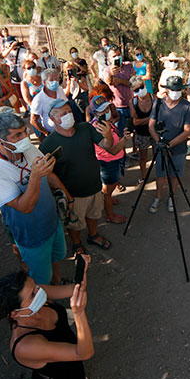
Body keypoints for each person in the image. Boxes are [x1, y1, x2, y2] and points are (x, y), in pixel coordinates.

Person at [0, 112, 70, 284]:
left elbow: (49, 174)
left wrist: (67, 196)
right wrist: (35, 177)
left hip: (52, 222)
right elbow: (25, 207)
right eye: (17, 135)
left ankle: (57, 281)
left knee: (56, 257)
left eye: (24, 131)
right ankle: (46, 304)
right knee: (40, 280)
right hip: (31, 237)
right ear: (0, 142)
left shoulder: (28, 149)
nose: (25, 138)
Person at [0, 269, 93, 379]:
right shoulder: (25, 346)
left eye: (35, 286)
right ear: (15, 313)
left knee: (44, 378)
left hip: (51, 372)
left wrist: (83, 268)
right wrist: (79, 313)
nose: (39, 291)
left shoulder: (34, 295)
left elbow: (75, 289)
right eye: (32, 294)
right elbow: (85, 353)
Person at [40, 101, 124, 254]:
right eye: (63, 113)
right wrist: (66, 197)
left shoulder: (85, 128)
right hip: (73, 195)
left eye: (69, 112)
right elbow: (48, 175)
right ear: (53, 119)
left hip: (95, 187)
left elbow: (106, 145)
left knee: (94, 215)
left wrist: (107, 136)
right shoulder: (48, 144)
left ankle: (93, 235)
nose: (69, 115)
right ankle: (77, 244)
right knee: (74, 224)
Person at [148, 76, 190, 213]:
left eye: (178, 89)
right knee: (160, 174)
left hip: (179, 148)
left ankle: (171, 196)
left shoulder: (187, 107)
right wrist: (159, 143)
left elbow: (187, 131)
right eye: (173, 89)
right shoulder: (158, 104)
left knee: (175, 174)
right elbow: (151, 126)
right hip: (160, 147)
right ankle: (158, 197)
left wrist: (169, 145)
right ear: (167, 90)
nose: (176, 92)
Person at [88, 95, 128, 224]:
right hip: (108, 162)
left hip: (112, 161)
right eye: (102, 111)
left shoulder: (103, 123)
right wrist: (125, 139)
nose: (106, 112)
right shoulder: (99, 128)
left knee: (110, 186)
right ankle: (110, 214)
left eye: (107, 109)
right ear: (95, 113)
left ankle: (108, 200)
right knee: (107, 192)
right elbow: (112, 150)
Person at [102, 45, 135, 137]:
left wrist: (120, 81)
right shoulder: (107, 70)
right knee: (120, 133)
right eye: (114, 56)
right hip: (117, 107)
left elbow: (133, 83)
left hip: (131, 103)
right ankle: (122, 151)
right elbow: (108, 82)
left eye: (118, 55)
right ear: (109, 58)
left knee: (134, 130)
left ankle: (135, 149)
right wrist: (111, 74)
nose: (117, 57)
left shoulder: (128, 65)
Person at [129, 76, 153, 185]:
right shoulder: (133, 102)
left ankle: (162, 176)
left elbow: (138, 121)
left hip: (154, 132)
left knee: (160, 155)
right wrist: (152, 118)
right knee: (142, 157)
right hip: (141, 134)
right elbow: (135, 122)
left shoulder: (154, 98)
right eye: (136, 90)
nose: (140, 91)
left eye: (141, 87)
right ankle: (144, 177)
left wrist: (142, 120)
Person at [30, 69, 67, 136]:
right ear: (44, 82)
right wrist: (46, 133)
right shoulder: (39, 99)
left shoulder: (60, 90)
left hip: (65, 128)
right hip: (53, 132)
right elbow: (33, 120)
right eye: (51, 80)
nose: (55, 82)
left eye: (56, 79)